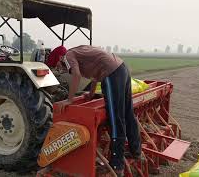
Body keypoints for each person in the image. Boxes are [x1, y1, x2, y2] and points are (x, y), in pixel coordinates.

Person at [54, 45, 141, 176]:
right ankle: (136, 151)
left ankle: (117, 165)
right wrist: (91, 93)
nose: (61, 69)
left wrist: (69, 100)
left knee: (115, 119)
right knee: (127, 113)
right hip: (122, 68)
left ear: (60, 58)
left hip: (112, 74)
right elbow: (95, 74)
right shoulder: (80, 52)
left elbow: (76, 75)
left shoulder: (67, 56)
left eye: (59, 66)